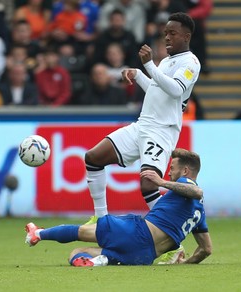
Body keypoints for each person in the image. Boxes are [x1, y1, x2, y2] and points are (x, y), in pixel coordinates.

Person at [84, 12, 200, 222]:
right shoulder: (166, 61)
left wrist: (148, 66)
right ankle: (100, 220)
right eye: (165, 33)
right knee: (93, 158)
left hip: (162, 130)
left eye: (172, 33)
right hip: (143, 125)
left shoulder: (191, 63)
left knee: (148, 184)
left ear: (186, 36)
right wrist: (139, 75)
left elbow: (175, 90)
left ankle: (171, 238)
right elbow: (158, 89)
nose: (166, 38)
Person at [25, 148, 212, 266]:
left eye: (173, 167)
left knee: (80, 231)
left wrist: (161, 182)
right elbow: (206, 249)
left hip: (136, 232)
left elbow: (197, 192)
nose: (169, 171)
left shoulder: (187, 183)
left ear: (186, 171)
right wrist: (187, 262)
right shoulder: (199, 214)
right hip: (144, 256)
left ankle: (38, 234)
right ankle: (99, 261)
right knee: (76, 254)